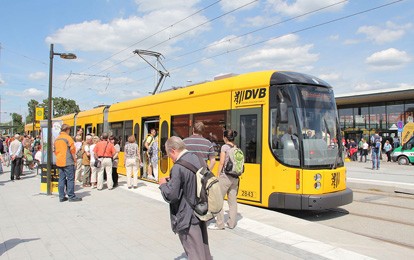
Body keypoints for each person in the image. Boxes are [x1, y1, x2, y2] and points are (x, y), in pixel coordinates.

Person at [159, 136, 212, 260]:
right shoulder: (198, 158)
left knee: (193, 252)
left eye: (169, 154)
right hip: (200, 210)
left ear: (173, 150)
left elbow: (172, 195)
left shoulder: (178, 167)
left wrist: (163, 185)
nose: (170, 158)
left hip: (186, 216)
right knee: (203, 249)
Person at [209, 129, 240, 230]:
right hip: (235, 178)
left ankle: (220, 224)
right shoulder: (236, 147)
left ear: (225, 137)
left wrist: (218, 175)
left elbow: (221, 163)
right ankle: (231, 224)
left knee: (219, 199)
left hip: (225, 177)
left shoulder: (224, 147)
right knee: (232, 201)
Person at [54, 124, 82, 202]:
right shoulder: (68, 138)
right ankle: (71, 196)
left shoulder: (57, 139)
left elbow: (55, 151)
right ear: (67, 130)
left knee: (61, 179)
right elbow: (73, 151)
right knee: (70, 179)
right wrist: (75, 160)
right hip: (68, 161)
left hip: (59, 161)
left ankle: (61, 196)